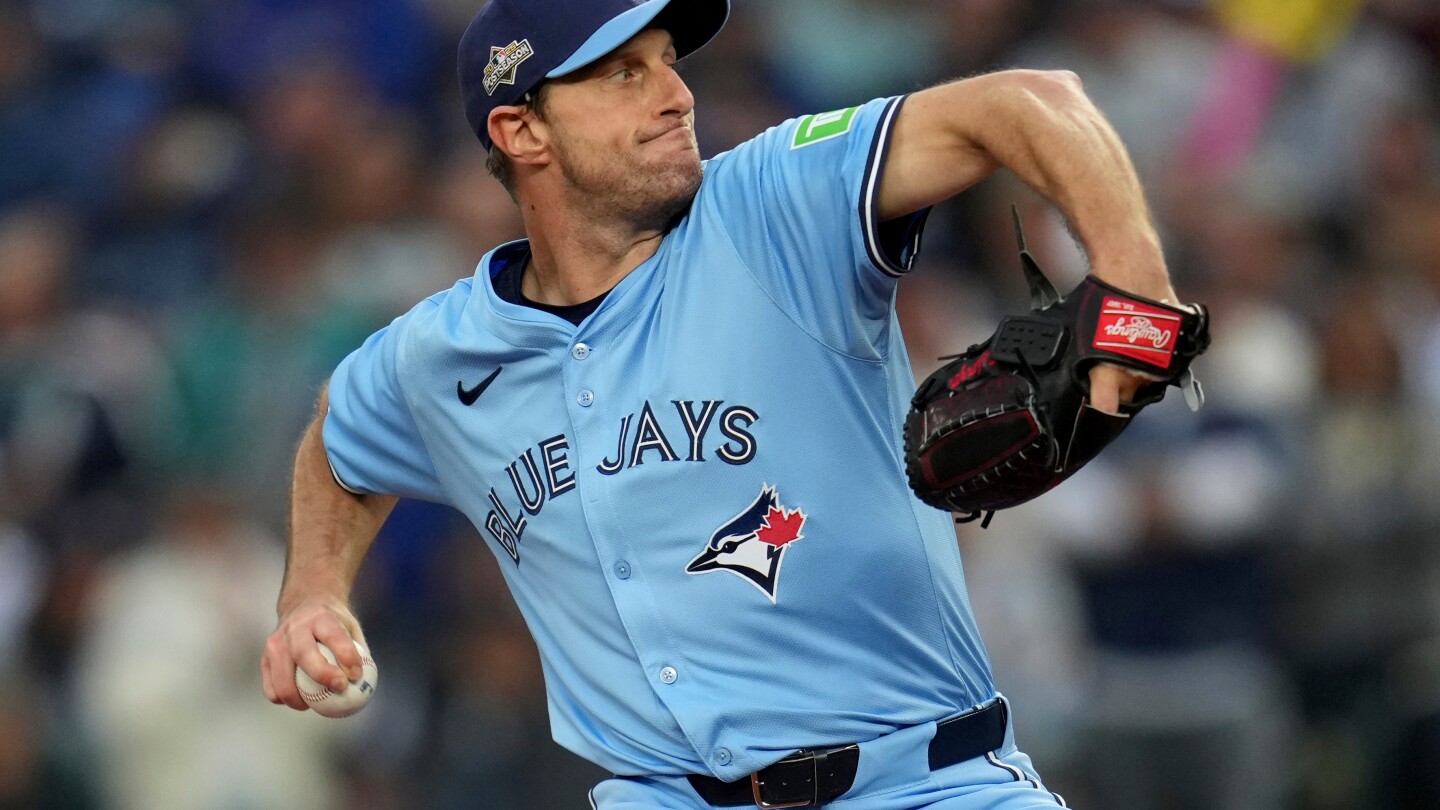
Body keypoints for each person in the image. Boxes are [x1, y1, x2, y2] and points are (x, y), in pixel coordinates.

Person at [261, 0, 1181, 807]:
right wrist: (312, 594)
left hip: (925, 786)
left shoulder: (774, 207)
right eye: (623, 73)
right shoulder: (443, 353)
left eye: (668, 61)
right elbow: (340, 441)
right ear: (521, 132)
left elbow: (1031, 103)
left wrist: (1137, 293)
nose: (675, 93)